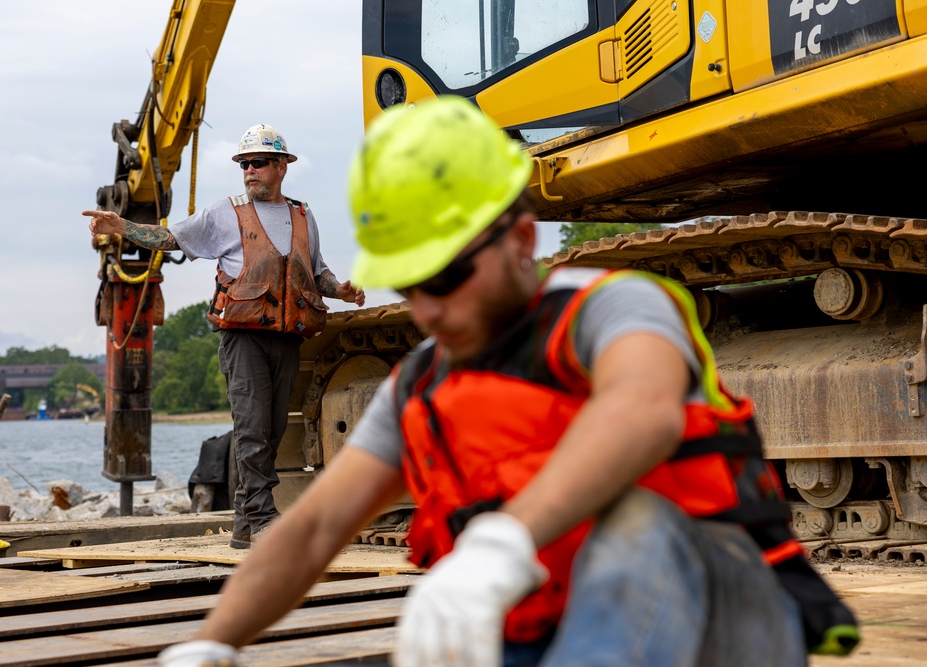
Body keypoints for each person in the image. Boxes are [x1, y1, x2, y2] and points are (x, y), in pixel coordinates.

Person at [156, 98, 856, 667]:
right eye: (411, 283)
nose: (429, 308)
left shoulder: (615, 307)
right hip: (548, 628)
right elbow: (311, 531)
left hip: (713, 621)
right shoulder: (423, 387)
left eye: (448, 275)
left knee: (634, 523)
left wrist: (503, 543)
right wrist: (214, 639)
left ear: (521, 241)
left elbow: (642, 412)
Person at [83, 123, 365, 550]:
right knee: (250, 428)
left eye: (258, 163)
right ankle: (265, 519)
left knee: (270, 431)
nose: (249, 171)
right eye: (244, 164)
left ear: (281, 167)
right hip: (242, 338)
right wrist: (121, 226)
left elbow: (315, 270)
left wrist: (339, 289)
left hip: (287, 336)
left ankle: (243, 528)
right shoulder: (223, 213)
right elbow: (170, 237)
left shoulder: (303, 215)